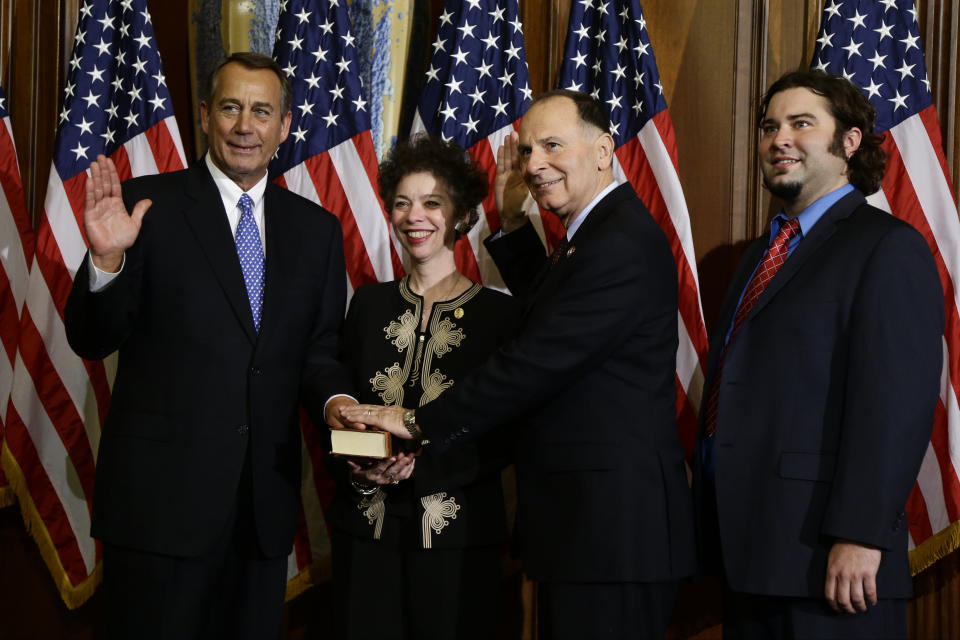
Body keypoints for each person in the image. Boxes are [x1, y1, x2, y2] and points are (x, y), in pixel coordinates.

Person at [342, 90, 696, 638]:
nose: (533, 164)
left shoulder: (619, 241)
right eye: (528, 149)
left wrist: (415, 423)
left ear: (604, 150)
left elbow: (535, 359)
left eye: (553, 145)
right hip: (583, 526)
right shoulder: (595, 236)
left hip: (612, 530)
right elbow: (556, 318)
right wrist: (511, 225)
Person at [64, 52, 348, 639]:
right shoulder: (144, 208)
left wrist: (335, 406)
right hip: (158, 514)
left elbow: (319, 352)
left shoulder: (315, 230)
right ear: (204, 116)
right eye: (231, 107)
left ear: (284, 126)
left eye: (262, 111)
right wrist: (107, 259)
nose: (246, 125)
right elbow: (91, 339)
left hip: (260, 514)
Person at [694, 70, 944, 639]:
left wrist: (860, 533)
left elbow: (896, 406)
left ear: (849, 142)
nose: (779, 138)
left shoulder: (887, 247)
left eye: (801, 124)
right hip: (751, 555)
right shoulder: (763, 253)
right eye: (768, 126)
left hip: (832, 563)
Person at [327, 135, 518, 640]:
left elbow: (504, 432)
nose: (416, 216)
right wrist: (365, 467)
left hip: (459, 536)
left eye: (433, 203)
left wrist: (419, 461)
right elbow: (341, 411)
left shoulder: (500, 314)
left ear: (460, 216)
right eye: (403, 203)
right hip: (366, 532)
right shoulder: (367, 305)